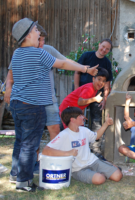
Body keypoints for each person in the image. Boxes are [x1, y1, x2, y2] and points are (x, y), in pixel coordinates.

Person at [9, 18, 98, 192]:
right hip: (33, 107)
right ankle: (24, 182)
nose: (38, 33)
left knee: (20, 141)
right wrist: (86, 69)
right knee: (30, 145)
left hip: (17, 105)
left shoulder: (16, 54)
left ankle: (15, 174)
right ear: (28, 35)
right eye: (36, 30)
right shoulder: (38, 53)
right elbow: (63, 63)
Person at [5, 24, 78, 176]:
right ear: (30, 37)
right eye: (38, 38)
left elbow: (65, 60)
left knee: (30, 137)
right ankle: (27, 172)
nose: (41, 43)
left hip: (41, 100)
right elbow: (11, 73)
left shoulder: (29, 51)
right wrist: (8, 89)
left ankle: (24, 170)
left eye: (42, 39)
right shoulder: (32, 53)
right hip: (33, 102)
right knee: (30, 141)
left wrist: (81, 66)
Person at [42, 107, 123, 185]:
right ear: (72, 120)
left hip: (92, 161)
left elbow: (96, 136)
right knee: (100, 179)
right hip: (77, 169)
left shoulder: (84, 130)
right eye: (80, 116)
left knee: (117, 176)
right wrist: (67, 153)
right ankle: (103, 170)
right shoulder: (63, 135)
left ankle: (104, 167)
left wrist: (106, 123)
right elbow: (46, 151)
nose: (83, 117)